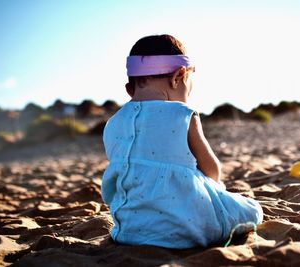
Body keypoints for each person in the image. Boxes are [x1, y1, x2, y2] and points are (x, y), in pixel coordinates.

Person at [101, 34, 263, 249]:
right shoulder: (183, 114)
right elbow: (211, 170)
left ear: (130, 89)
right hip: (186, 230)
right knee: (252, 210)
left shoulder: (113, 123)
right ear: (178, 76)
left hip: (129, 231)